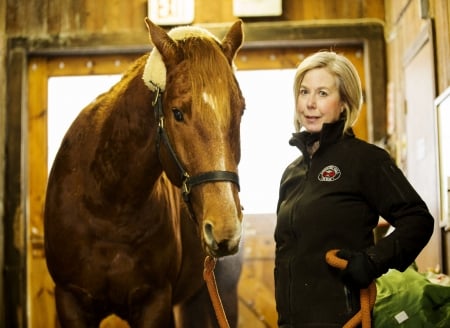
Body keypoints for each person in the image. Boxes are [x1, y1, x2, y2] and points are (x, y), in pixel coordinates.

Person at [274, 51, 434, 327]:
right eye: (304, 92)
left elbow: (417, 219)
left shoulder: (367, 160)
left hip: (347, 320)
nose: (310, 103)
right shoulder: (292, 174)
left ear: (344, 103)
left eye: (323, 93)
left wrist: (372, 260)